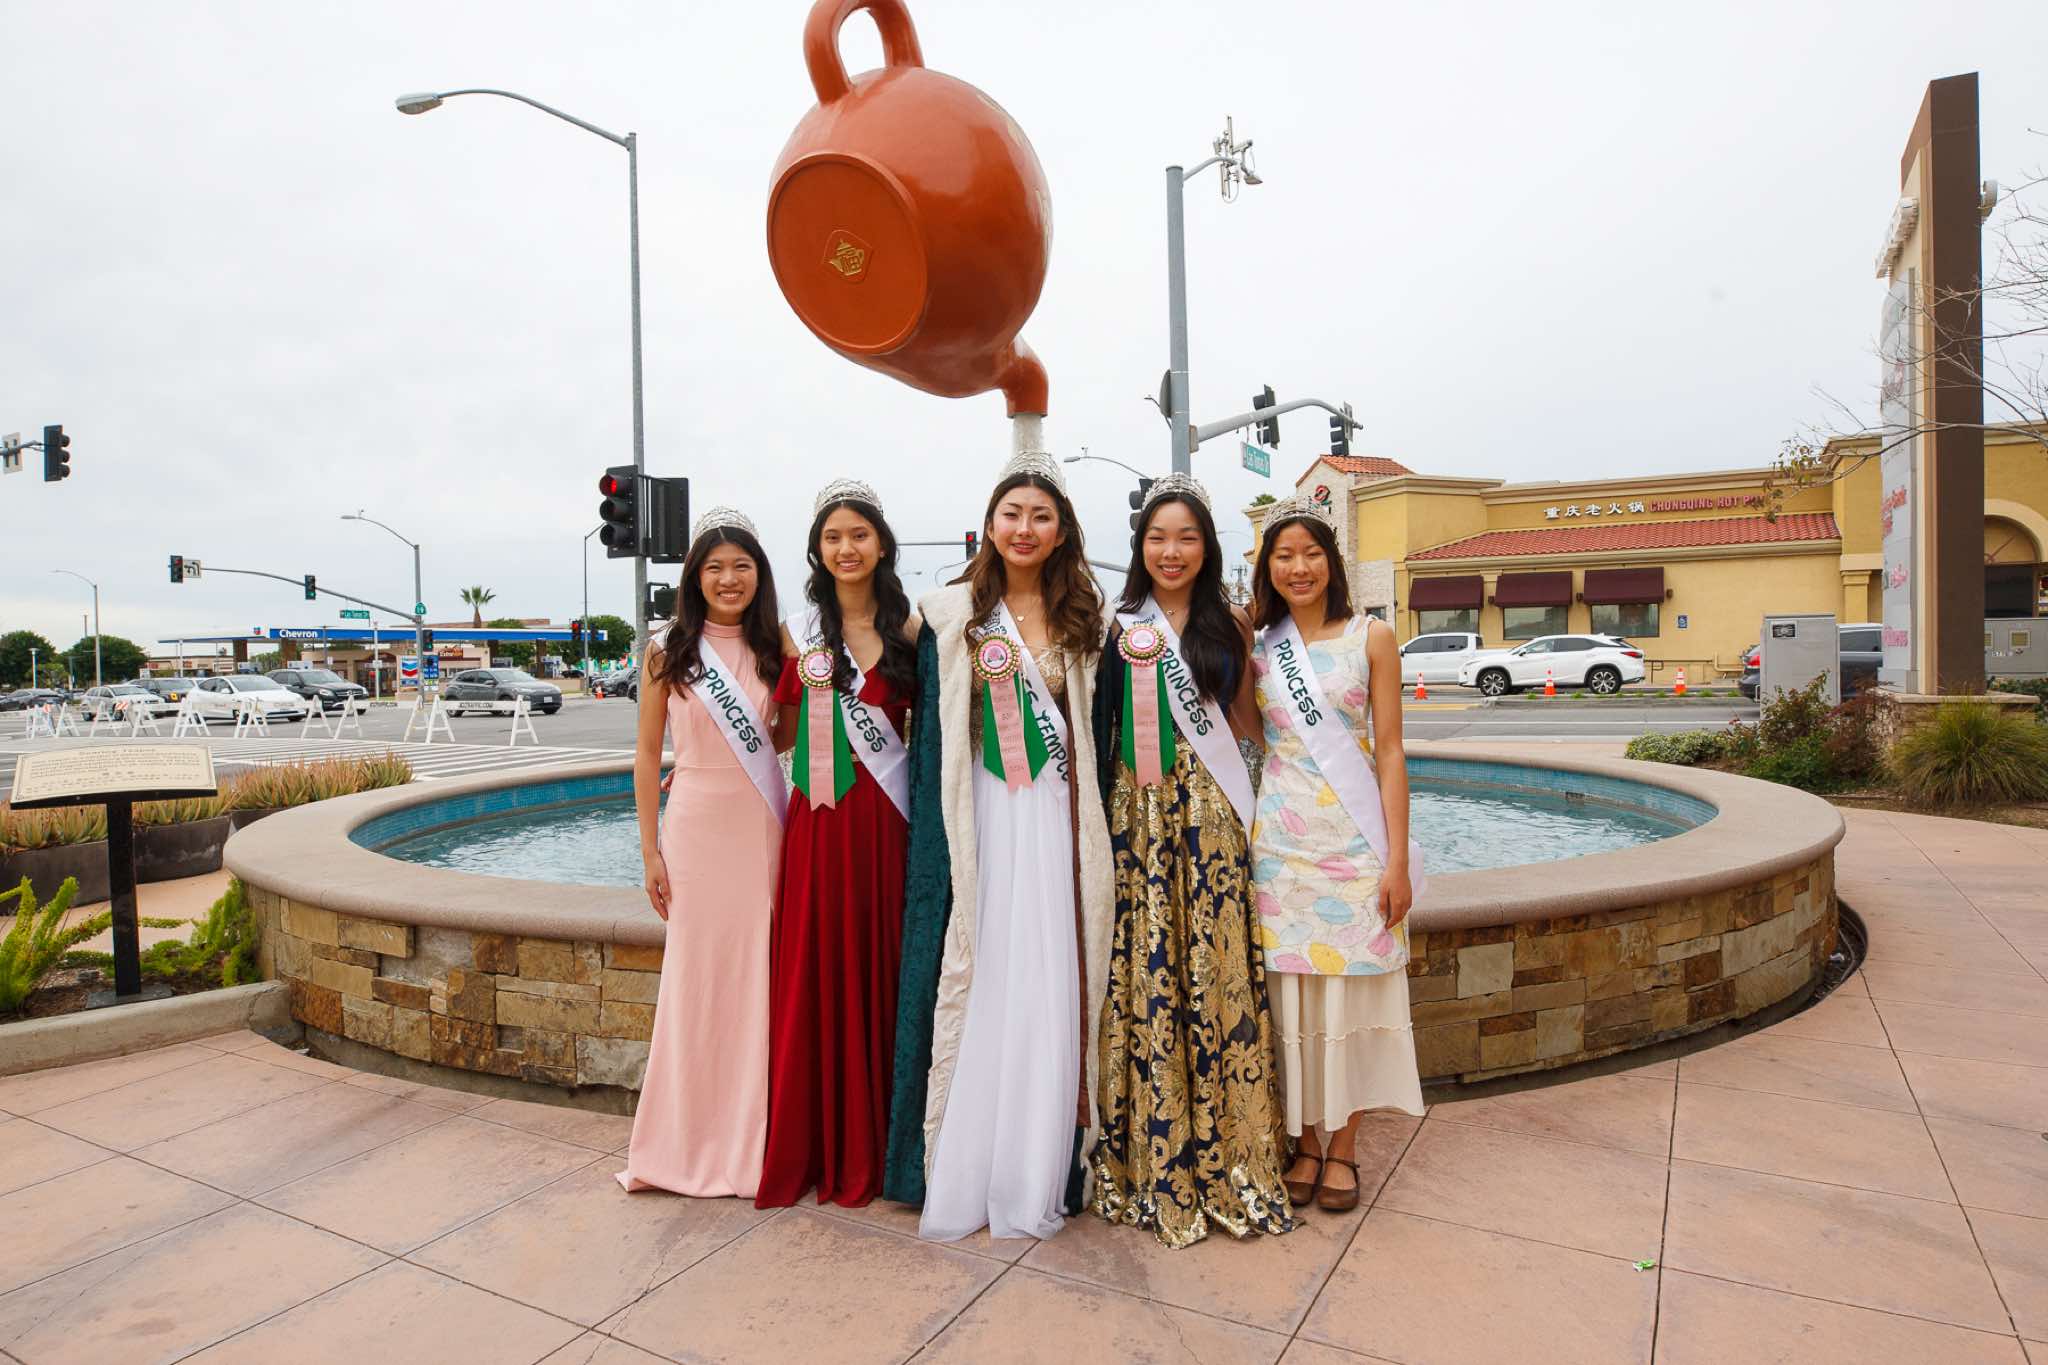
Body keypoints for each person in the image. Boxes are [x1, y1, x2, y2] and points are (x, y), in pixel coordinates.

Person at [885, 449, 1114, 1242]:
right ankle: (968, 1155)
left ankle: (1036, 1160)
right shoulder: (949, 614)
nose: (1025, 528)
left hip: (1052, 819)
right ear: (989, 524)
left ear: (1062, 531)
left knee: (1047, 971)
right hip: (980, 817)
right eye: (1012, 513)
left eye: (1041, 516)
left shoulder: (1087, 617)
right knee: (985, 968)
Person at [1088, 473, 1296, 1249]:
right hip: (1135, 818)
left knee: (1214, 970)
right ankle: (1148, 1158)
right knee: (1144, 969)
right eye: (1158, 537)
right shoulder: (1115, 625)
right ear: (1140, 546)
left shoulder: (1229, 624)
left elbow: (1250, 726)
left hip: (1210, 816)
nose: (1171, 551)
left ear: (1206, 548)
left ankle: (1229, 1152)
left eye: (1187, 537)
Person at [1247, 493, 1426, 1214]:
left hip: (1355, 846)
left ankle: (1343, 1146)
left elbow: (1390, 751)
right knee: (1291, 998)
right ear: (1267, 566)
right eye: (1284, 555)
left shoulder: (1371, 637)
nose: (1299, 567)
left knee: (1346, 994)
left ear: (1332, 562)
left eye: (1311, 553)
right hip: (1280, 848)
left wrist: (1398, 861)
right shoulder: (1259, 645)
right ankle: (1304, 1143)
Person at [756, 480, 919, 1210]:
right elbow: (783, 735)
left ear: (881, 544)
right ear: (818, 551)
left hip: (886, 824)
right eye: (833, 537)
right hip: (820, 823)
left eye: (859, 534)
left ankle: (884, 1144)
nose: (846, 548)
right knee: (819, 968)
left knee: (881, 966)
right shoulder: (798, 633)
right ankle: (819, 1144)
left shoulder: (913, 630)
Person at [619, 507, 787, 1199]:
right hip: (694, 829)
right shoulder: (667, 649)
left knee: (756, 975)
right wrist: (649, 851)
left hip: (760, 825)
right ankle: (681, 1142)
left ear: (759, 575)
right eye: (714, 567)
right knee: (694, 980)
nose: (728, 578)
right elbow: (645, 754)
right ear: (695, 577)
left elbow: (786, 735)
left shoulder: (778, 644)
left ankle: (754, 1142)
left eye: (741, 566)